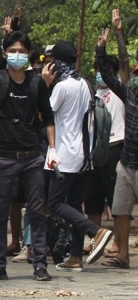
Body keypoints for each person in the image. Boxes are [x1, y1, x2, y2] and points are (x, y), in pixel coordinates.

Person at [0, 6, 54, 281]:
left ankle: (40, 263)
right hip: (4, 156)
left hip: (32, 157)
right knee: (0, 213)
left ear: (29, 54)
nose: (17, 55)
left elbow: (48, 117)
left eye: (22, 51)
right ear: (5, 54)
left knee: (37, 212)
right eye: (12, 51)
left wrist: (53, 149)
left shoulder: (37, 83)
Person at [42, 41, 114, 271]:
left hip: (65, 154)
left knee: (54, 203)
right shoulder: (84, 83)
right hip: (85, 153)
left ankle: (96, 231)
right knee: (74, 204)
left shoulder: (62, 87)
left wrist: (45, 85)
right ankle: (75, 257)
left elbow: (45, 112)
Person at [94, 20, 137, 269]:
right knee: (120, 210)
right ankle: (123, 255)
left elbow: (122, 63)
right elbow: (110, 74)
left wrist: (120, 33)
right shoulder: (129, 94)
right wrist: (101, 49)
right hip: (126, 162)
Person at [86, 13, 127, 259]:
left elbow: (123, 63)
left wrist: (117, 35)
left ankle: (118, 245)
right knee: (92, 200)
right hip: (94, 150)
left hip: (115, 148)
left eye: (105, 71)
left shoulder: (120, 91)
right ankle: (95, 240)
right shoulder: (90, 94)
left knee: (116, 203)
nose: (101, 74)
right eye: (99, 70)